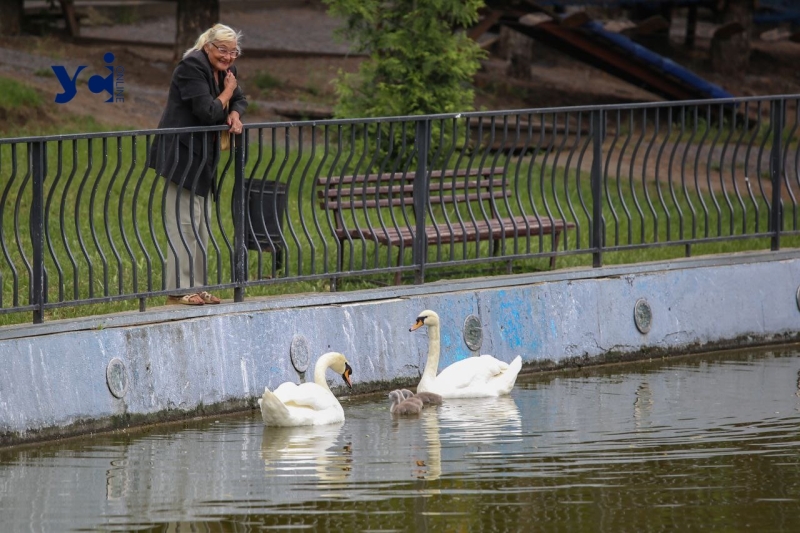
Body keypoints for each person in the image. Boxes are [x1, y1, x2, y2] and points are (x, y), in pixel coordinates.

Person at [148, 23, 247, 305]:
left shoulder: (226, 73)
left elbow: (240, 99)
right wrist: (228, 92)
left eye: (233, 52)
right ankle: (179, 291)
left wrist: (236, 115)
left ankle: (198, 287)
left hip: (203, 158)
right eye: (222, 50)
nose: (228, 57)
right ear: (208, 46)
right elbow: (206, 111)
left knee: (201, 223)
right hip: (182, 155)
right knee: (183, 223)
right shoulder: (191, 67)